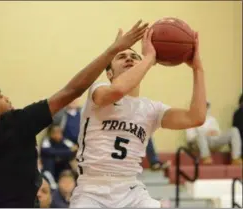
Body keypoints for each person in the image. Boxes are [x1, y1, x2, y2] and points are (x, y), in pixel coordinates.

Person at [0, 19, 148, 207]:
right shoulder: (15, 122)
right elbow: (72, 90)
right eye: (0, 96)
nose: (7, 98)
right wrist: (112, 50)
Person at [70, 27, 207, 208]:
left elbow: (195, 117)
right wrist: (149, 58)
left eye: (135, 57)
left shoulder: (151, 109)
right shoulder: (99, 89)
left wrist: (198, 69)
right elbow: (117, 90)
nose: (129, 58)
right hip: (92, 189)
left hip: (131, 189)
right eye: (121, 56)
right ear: (109, 73)